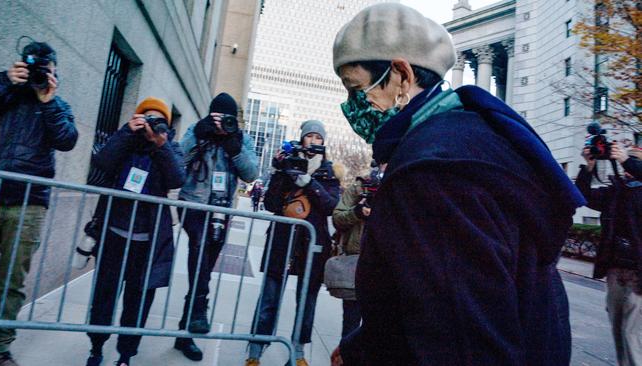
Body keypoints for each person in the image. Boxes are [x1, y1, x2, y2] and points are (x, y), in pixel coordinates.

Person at [329, 4, 585, 365]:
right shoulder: (470, 141)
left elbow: (464, 344)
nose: (353, 105)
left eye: (357, 89)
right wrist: (365, 346)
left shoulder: (433, 174)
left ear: (401, 74)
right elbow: (434, 301)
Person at [0, 41, 78, 366]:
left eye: (48, 71)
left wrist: (48, 102)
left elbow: (67, 140)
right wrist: (3, 82)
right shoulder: (4, 94)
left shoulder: (57, 104)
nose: (41, 77)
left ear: (55, 73)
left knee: (12, 281)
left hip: (29, 203)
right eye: (36, 71)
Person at [85, 97, 185, 366]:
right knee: (104, 296)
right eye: (145, 117)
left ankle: (126, 356)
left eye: (156, 119)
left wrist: (161, 145)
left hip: (148, 242)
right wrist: (126, 132)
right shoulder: (126, 141)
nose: (150, 124)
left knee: (137, 302)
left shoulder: (170, 147)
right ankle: (96, 348)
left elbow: (177, 179)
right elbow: (102, 163)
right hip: (114, 235)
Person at [245, 120, 340, 366]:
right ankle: (255, 351)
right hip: (282, 240)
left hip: (312, 246)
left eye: (318, 137)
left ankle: (297, 353)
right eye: (309, 136)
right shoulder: (288, 164)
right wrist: (280, 172)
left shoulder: (329, 171)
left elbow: (331, 206)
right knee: (269, 298)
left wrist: (309, 182)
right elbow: (271, 204)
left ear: (323, 141)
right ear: (301, 139)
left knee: (306, 302)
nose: (313, 140)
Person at [173, 92, 257, 361]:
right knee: (199, 250)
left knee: (204, 263)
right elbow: (178, 160)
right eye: (217, 117)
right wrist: (199, 133)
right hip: (194, 204)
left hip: (220, 210)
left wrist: (233, 146)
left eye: (226, 118)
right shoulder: (198, 130)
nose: (221, 123)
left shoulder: (240, 138)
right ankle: (199, 310)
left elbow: (252, 173)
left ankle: (185, 330)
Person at [576, 144, 642, 366]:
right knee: (618, 331)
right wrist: (589, 167)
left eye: (634, 163)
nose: (628, 169)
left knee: (633, 335)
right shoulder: (616, 192)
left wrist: (626, 160)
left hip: (639, 275)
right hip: (615, 272)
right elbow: (583, 196)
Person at [331, 163, 382, 340]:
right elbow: (337, 218)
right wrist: (357, 212)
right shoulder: (360, 186)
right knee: (351, 324)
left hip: (385, 266)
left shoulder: (401, 187)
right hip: (357, 263)